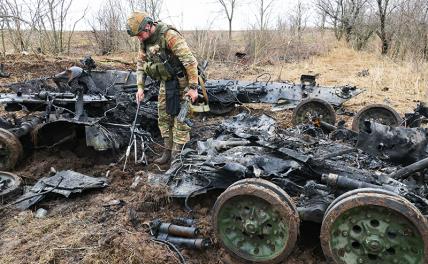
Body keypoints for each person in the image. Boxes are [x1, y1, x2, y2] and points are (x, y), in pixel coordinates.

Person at [126, 11, 199, 165]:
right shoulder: (144, 41)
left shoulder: (169, 35)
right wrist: (140, 87)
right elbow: (141, 64)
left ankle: (177, 156)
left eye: (139, 34)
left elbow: (190, 62)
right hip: (166, 83)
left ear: (148, 26)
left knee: (181, 120)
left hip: (183, 82)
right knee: (164, 117)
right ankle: (167, 151)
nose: (138, 38)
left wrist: (193, 87)